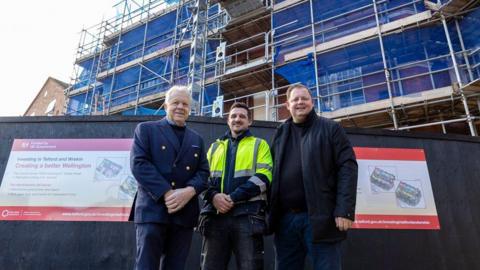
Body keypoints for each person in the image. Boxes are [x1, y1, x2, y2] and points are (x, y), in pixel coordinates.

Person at [268, 84, 358, 270]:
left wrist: (344, 210)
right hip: (285, 221)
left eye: (304, 98)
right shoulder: (281, 132)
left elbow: (347, 167)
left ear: (312, 102)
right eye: (295, 99)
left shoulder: (331, 128)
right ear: (287, 105)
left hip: (320, 217)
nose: (300, 102)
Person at [129, 85, 209, 270]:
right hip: (152, 210)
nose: (180, 107)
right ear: (166, 106)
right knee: (146, 266)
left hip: (184, 213)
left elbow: (203, 172)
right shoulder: (146, 129)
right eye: (175, 103)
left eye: (185, 104)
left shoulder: (197, 139)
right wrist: (167, 193)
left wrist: (189, 191)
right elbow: (139, 164)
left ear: (190, 109)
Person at [199, 102, 273, 270]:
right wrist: (214, 197)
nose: (237, 119)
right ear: (228, 120)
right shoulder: (215, 147)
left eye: (242, 116)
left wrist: (232, 198)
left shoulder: (259, 145)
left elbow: (264, 177)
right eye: (233, 116)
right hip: (215, 217)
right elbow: (202, 178)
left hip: (247, 217)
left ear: (250, 122)